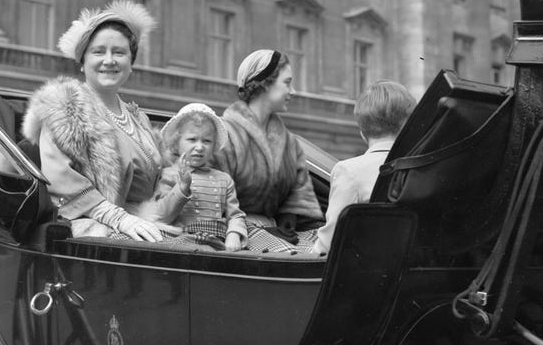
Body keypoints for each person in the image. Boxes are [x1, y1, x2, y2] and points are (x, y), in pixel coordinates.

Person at [21, 0, 169, 241]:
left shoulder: (137, 117)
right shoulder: (65, 108)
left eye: (119, 52)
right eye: (98, 51)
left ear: (130, 64)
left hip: (147, 225)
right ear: (83, 62)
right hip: (93, 230)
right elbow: (59, 181)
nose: (109, 60)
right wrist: (119, 219)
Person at [218, 49, 324, 253]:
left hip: (280, 236)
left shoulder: (289, 143)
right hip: (237, 240)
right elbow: (212, 202)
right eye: (287, 83)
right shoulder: (225, 136)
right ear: (265, 84)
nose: (293, 92)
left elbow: (300, 208)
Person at [311, 81, 417, 255]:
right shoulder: (420, 168)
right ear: (407, 125)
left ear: (362, 131)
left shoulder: (348, 171)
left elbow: (328, 245)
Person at [155, 103, 248, 251]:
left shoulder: (224, 179)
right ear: (176, 143)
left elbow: (235, 215)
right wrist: (182, 188)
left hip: (217, 242)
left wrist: (234, 233)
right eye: (192, 139)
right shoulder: (169, 175)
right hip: (182, 241)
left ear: (214, 146)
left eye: (207, 141)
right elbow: (161, 216)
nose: (199, 147)